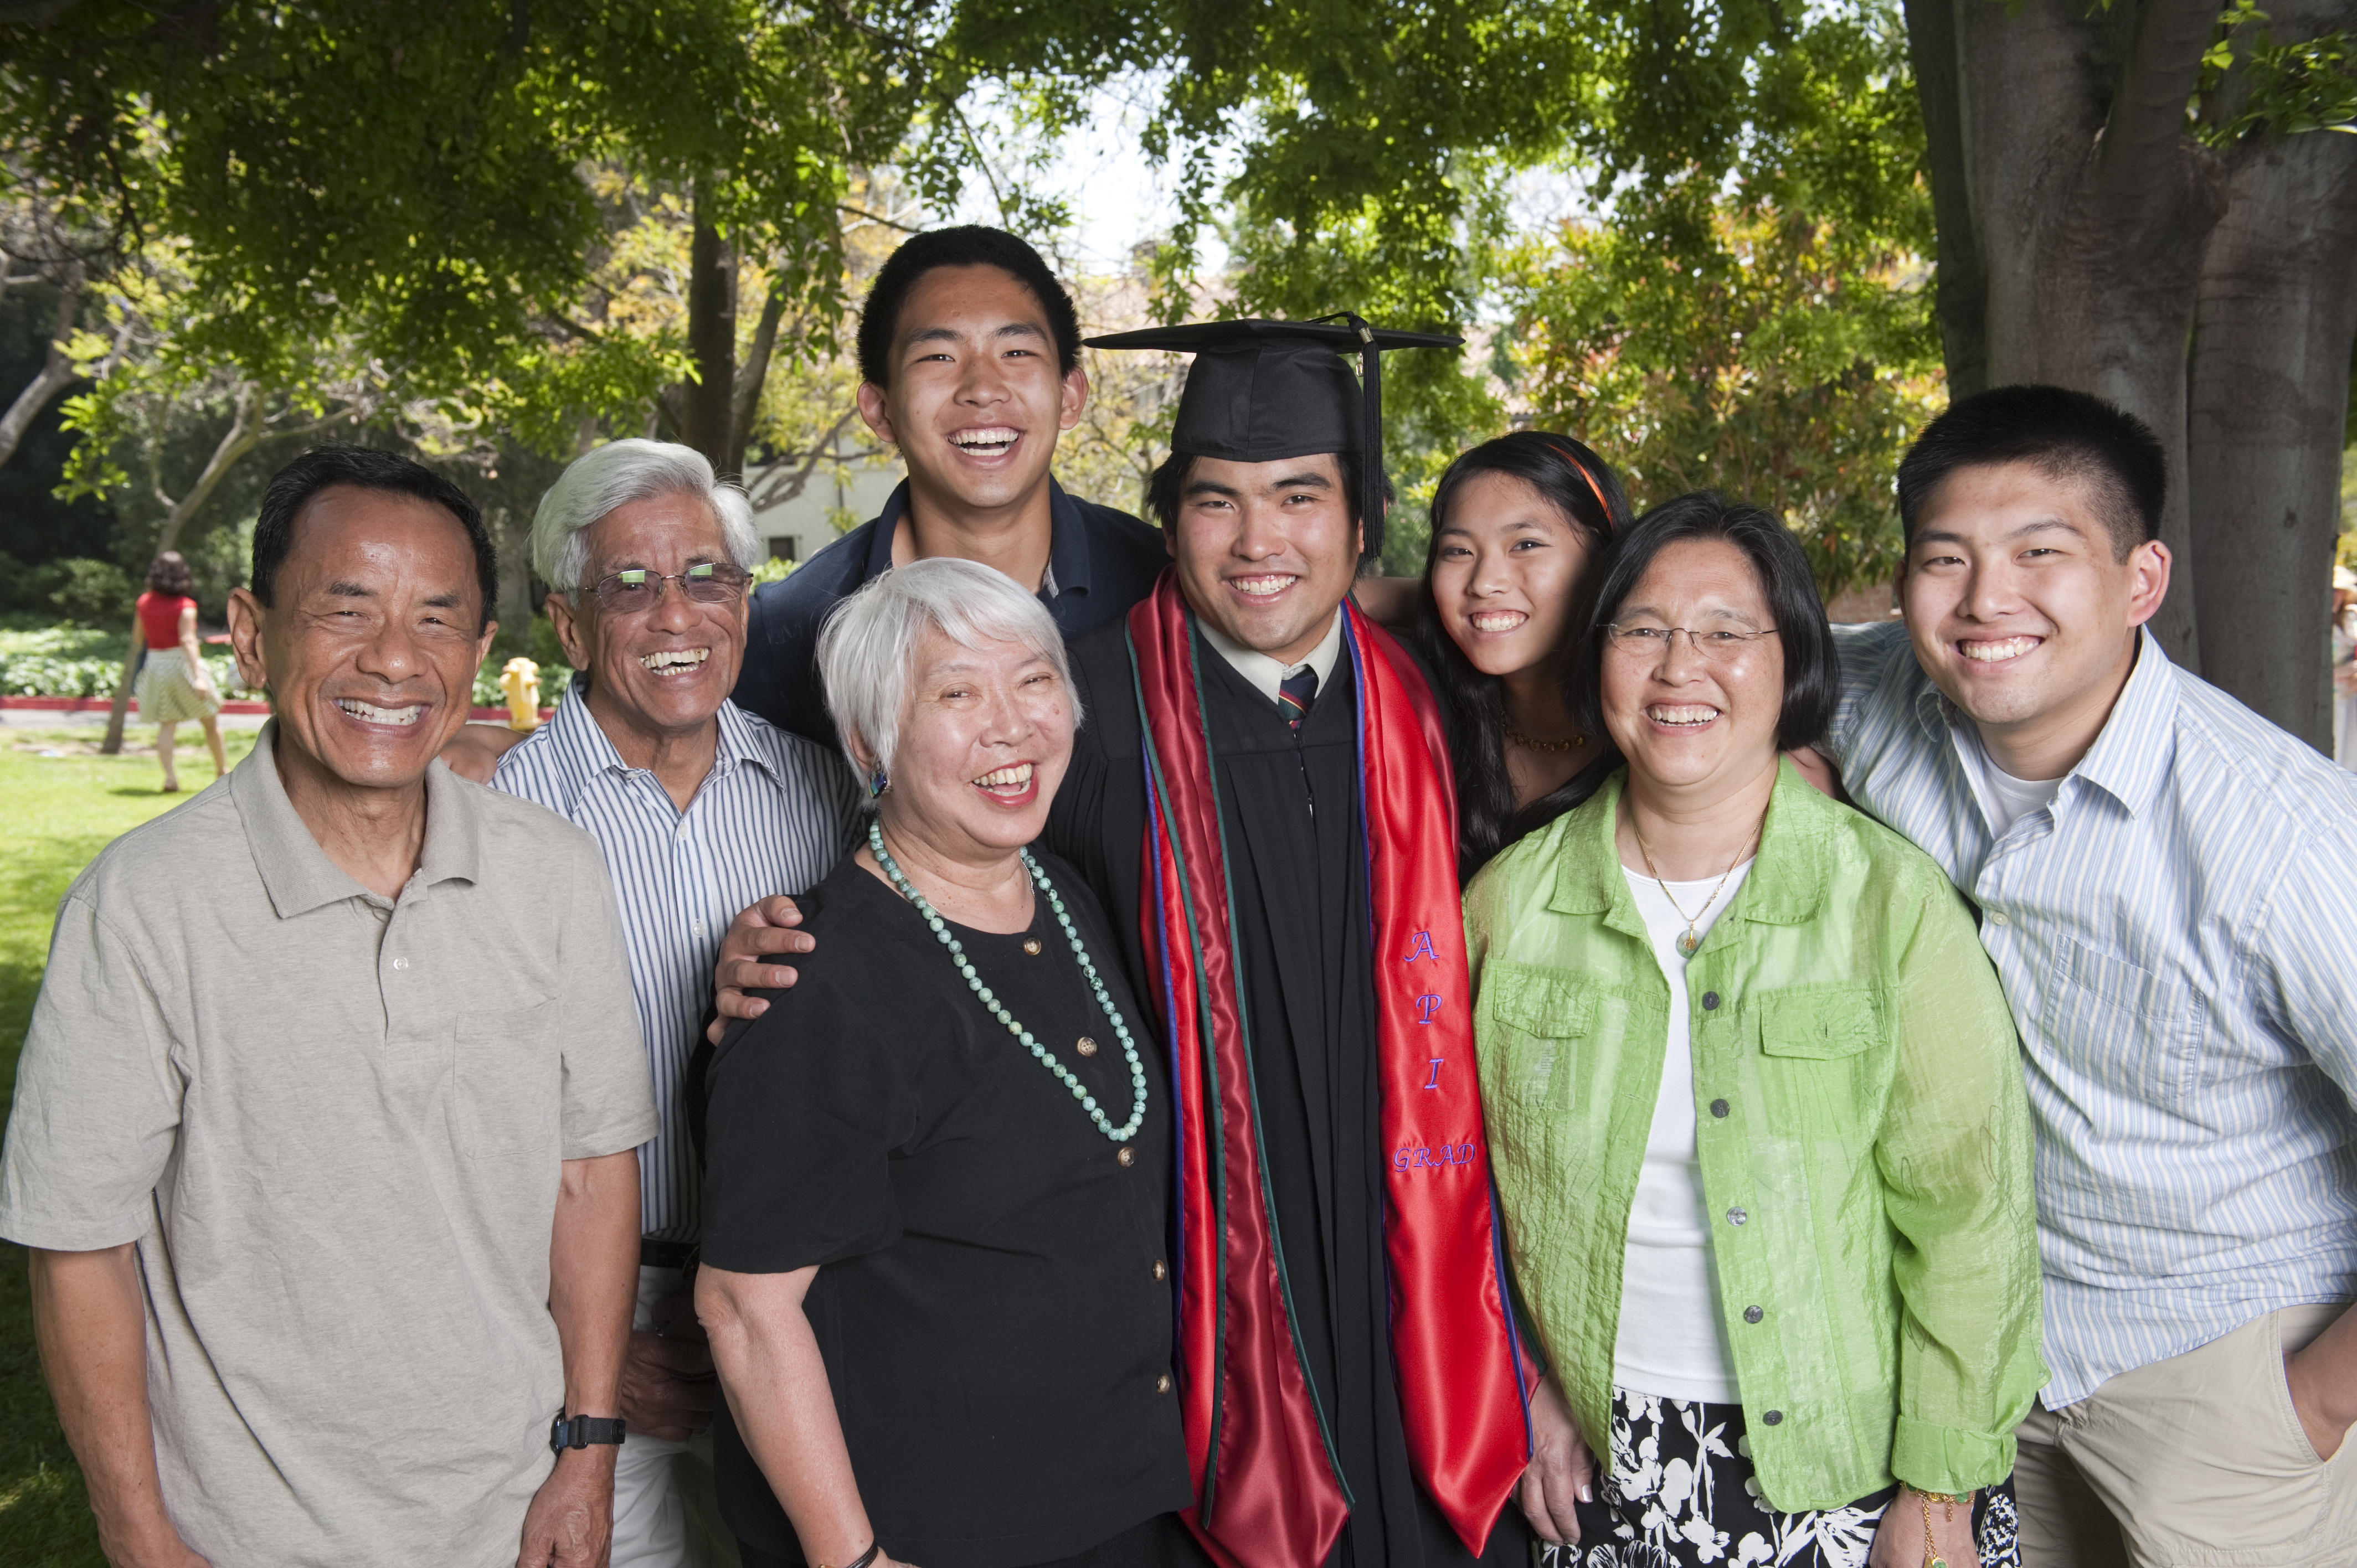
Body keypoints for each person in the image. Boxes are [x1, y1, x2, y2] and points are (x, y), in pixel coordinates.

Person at [0, 447, 657, 1567]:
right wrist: (139, 1534)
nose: (395, 660)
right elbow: (80, 1244)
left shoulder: (554, 874)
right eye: (346, 611)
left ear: (482, 653)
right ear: (252, 633)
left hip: (512, 1517)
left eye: (438, 620)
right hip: (244, 1534)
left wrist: (587, 1456)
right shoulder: (145, 904)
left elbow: (591, 1170)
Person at [1035, 316, 1553, 1568]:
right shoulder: (1075, 711)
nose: (1259, 542)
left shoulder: (1440, 699)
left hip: (1429, 1308)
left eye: (1299, 497)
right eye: (1217, 501)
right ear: (1170, 520)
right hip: (1189, 1324)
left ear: (1363, 520)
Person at [1820, 385, 2357, 1566]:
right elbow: (1686, 637)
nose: (1984, 599)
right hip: (1994, 1363)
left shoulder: (2285, 838)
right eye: (1943, 557)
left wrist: (2312, 1399)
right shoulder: (1876, 699)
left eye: (2039, 553)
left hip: (2229, 1369)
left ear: (2140, 581)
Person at [1464, 492, 2042, 1568]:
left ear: (1796, 666)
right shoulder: (1508, 909)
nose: (1680, 666)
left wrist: (1938, 1489)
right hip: (1603, 1458)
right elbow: (1455, 1192)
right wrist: (1521, 1379)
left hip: (1860, 1464)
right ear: (1598, 659)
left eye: (1727, 632)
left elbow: (1973, 1217)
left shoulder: (1887, 904)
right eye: (1642, 630)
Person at [696, 558, 1193, 1568]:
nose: (1009, 725)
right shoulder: (817, 981)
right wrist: (853, 1557)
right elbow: (745, 1308)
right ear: (870, 741)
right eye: (956, 693)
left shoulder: (1061, 889)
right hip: (934, 1532)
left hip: (1114, 1499)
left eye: (1034, 679)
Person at [492, 440, 862, 1568]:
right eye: (631, 586)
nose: (675, 617)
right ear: (566, 622)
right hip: (594, 1337)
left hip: (809, 1323)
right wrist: (580, 1355)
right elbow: (444, 1132)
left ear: (745, 603)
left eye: (708, 578)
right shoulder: (491, 820)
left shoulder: (830, 797)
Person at [1411, 432, 1631, 874]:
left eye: (1526, 545)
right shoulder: (1427, 715)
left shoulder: (1659, 729)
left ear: (1605, 557)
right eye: (1458, 551)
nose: (1484, 582)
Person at [132, 548, 228, 791]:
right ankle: (221, 771)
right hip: (180, 663)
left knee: (167, 723)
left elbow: (137, 639)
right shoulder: (185, 606)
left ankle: (170, 778)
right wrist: (198, 677)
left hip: (155, 663)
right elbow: (187, 641)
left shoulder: (143, 603)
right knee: (210, 720)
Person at [2332, 564, 2354, 769]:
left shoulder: (2349, 621)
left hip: (2351, 695)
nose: (2335, 597)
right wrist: (2344, 671)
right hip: (2330, 698)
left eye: (2339, 592)